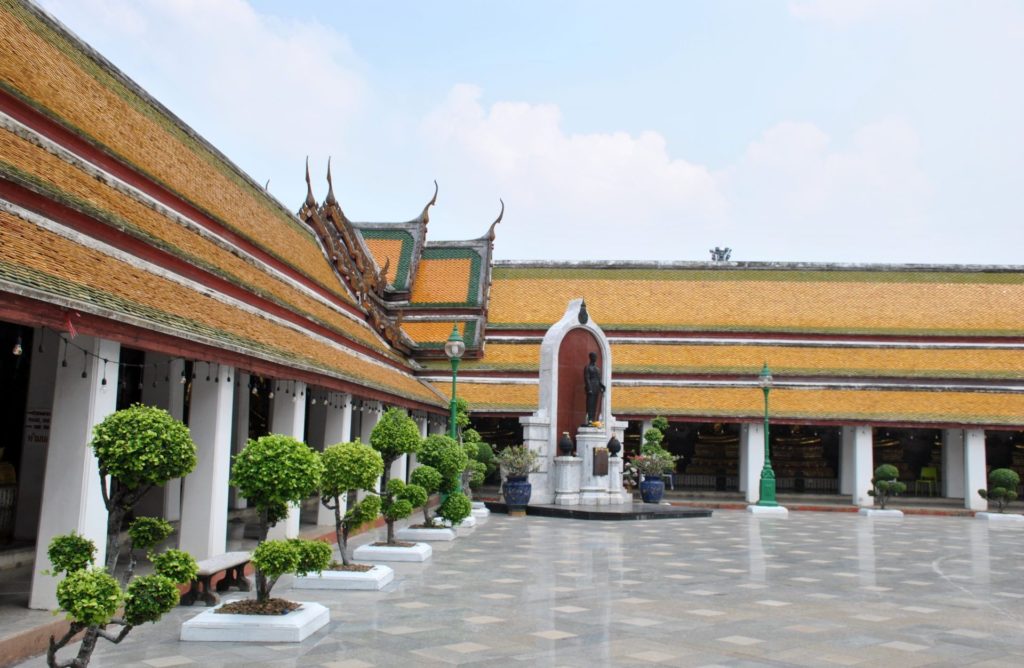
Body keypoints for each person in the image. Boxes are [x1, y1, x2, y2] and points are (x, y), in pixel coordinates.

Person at [583, 352, 605, 424]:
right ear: (590, 357)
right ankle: (589, 419)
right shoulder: (588, 367)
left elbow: (599, 379)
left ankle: (593, 419)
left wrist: (602, 386)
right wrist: (589, 389)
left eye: (596, 357)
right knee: (590, 404)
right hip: (591, 386)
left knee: (595, 404)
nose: (595, 358)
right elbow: (587, 378)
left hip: (597, 387)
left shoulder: (597, 368)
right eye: (594, 357)